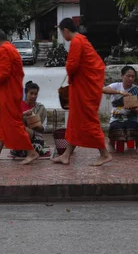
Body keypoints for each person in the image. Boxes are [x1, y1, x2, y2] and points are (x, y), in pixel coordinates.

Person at [52, 18, 111, 166]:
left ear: (65, 30)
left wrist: (68, 69)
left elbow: (72, 66)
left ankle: (104, 154)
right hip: (83, 87)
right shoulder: (81, 40)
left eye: (61, 32)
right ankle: (66, 155)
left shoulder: (77, 42)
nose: (62, 36)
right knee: (75, 121)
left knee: (88, 120)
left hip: (85, 89)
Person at [0, 28, 39, 165]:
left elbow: (3, 74)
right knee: (2, 124)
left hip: (9, 93)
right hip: (10, 92)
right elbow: (1, 72)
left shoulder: (4, 50)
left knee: (14, 123)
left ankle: (31, 152)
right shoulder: (9, 48)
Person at [102, 66, 138, 153]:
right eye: (128, 76)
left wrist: (132, 107)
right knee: (115, 128)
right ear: (122, 76)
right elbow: (103, 89)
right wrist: (120, 92)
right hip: (116, 117)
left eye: (133, 76)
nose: (130, 78)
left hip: (131, 117)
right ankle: (111, 143)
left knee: (132, 128)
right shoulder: (116, 86)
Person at [10, 81, 49, 158]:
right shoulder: (18, 107)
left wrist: (36, 124)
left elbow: (43, 129)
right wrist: (23, 115)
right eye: (31, 93)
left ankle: (32, 152)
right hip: (19, 142)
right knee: (19, 128)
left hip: (36, 140)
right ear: (26, 93)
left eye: (35, 94)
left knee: (35, 147)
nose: (33, 96)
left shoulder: (41, 108)